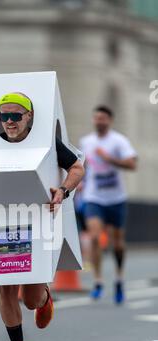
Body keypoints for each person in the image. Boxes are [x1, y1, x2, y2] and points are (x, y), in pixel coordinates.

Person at [0, 93, 84, 341]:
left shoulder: (46, 141)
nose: (9, 122)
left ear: (29, 116)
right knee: (6, 288)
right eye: (4, 116)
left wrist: (63, 190)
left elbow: (77, 167)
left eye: (15, 116)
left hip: (37, 223)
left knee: (31, 300)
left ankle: (45, 297)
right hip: (4, 222)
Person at [79, 105, 137, 304]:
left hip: (116, 198)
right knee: (95, 237)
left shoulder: (119, 141)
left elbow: (132, 164)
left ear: (110, 121)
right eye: (96, 118)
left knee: (117, 243)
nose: (99, 121)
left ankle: (119, 279)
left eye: (103, 118)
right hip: (94, 197)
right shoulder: (86, 142)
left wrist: (109, 159)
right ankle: (98, 281)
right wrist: (79, 182)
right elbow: (82, 167)